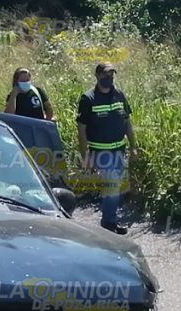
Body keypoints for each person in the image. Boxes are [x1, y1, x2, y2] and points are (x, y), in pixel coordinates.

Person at [76, 62, 139, 235]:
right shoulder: (88, 98)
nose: (109, 79)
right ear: (97, 76)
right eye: (105, 75)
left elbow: (127, 123)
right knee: (113, 185)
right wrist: (85, 155)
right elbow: (81, 129)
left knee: (116, 187)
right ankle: (109, 223)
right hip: (101, 152)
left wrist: (133, 146)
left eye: (111, 75)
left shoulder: (119, 95)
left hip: (119, 150)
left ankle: (108, 216)